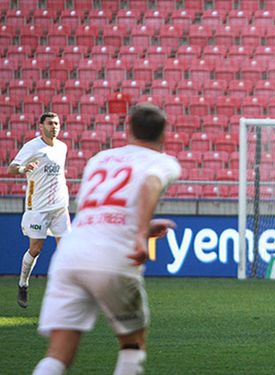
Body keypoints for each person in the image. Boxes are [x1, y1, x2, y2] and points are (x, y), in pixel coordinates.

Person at [32, 104, 181, 375]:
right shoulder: (162, 162)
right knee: (132, 342)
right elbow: (149, 183)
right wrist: (140, 234)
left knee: (58, 353)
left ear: (128, 129)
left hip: (70, 255)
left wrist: (142, 227)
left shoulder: (100, 159)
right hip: (112, 257)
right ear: (164, 134)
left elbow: (102, 212)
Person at [8, 112, 70, 308]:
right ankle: (23, 283)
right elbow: (11, 168)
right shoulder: (32, 146)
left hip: (60, 207)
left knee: (67, 249)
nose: (54, 127)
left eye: (57, 123)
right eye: (50, 123)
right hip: (38, 208)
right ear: (41, 126)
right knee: (36, 249)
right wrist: (23, 168)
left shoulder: (62, 147)